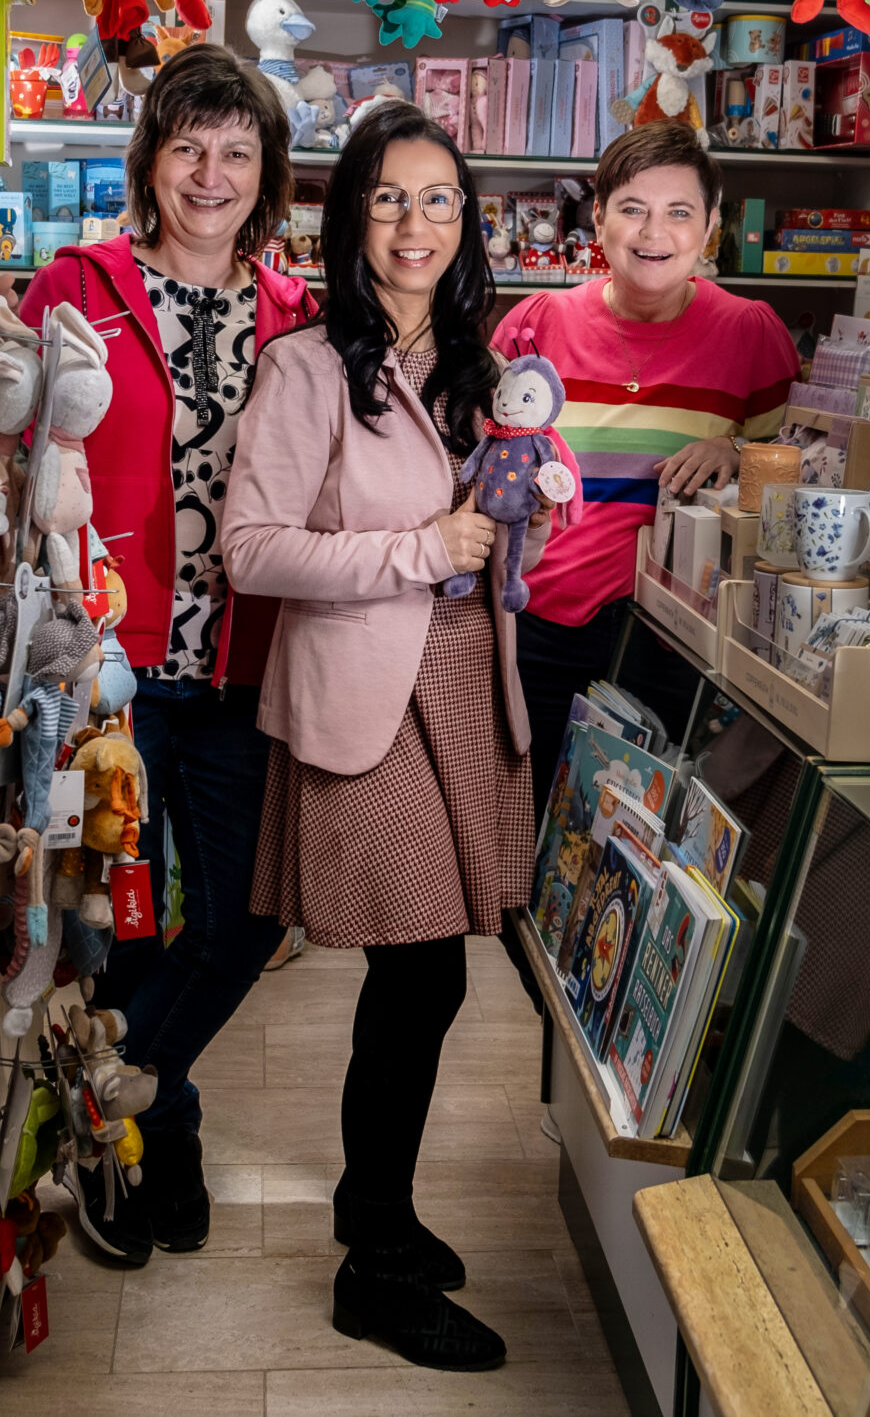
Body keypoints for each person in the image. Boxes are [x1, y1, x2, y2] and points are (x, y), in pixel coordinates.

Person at [225, 100, 551, 1372]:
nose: (416, 224)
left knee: (432, 972)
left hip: (468, 685)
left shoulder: (479, 360)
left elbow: (493, 519)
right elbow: (252, 552)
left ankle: (381, 1212)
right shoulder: (309, 365)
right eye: (388, 199)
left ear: (465, 221)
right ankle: (372, 1269)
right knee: (420, 974)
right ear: (349, 216)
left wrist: (534, 519)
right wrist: (424, 549)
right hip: (368, 696)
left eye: (439, 200)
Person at [16, 43, 315, 1263]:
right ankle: (159, 1147)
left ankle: (106, 1099)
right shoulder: (75, 287)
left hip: (248, 661)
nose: (210, 172)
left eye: (236, 151)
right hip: (107, 664)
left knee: (244, 915)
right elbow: (15, 463)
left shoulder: (304, 314)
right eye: (187, 145)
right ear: (148, 158)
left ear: (267, 175)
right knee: (127, 925)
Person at [491, 119, 799, 800]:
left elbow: (804, 473)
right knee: (523, 825)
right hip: (533, 623)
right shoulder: (536, 322)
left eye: (678, 213)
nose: (653, 233)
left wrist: (737, 448)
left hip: (668, 641)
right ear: (597, 216)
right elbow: (484, 462)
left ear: (711, 226)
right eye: (632, 209)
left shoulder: (751, 333)